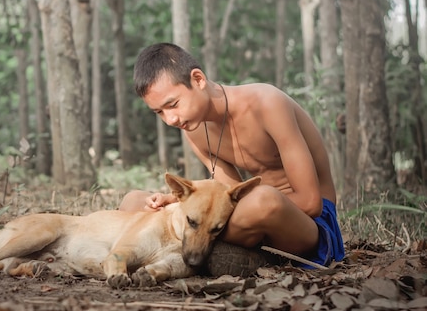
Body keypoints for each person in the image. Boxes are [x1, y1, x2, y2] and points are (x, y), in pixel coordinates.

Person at [120, 42, 344, 269]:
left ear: (198, 80)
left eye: (173, 104)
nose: (170, 120)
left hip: (309, 224)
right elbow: (229, 194)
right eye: (159, 112)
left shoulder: (267, 103)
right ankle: (226, 254)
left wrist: (195, 213)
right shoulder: (194, 130)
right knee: (134, 201)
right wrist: (184, 203)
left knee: (264, 201)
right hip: (246, 221)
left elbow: (310, 202)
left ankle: (184, 251)